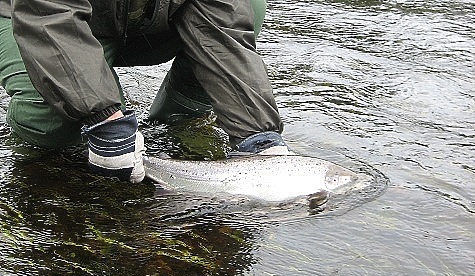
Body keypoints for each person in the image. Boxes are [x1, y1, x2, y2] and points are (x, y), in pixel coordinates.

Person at [0, 0, 289, 183]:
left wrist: (259, 134)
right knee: (53, 116)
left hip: (146, 21)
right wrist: (103, 118)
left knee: (250, 6)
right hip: (32, 15)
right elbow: (48, 14)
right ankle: (34, 157)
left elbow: (223, 34)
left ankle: (178, 122)